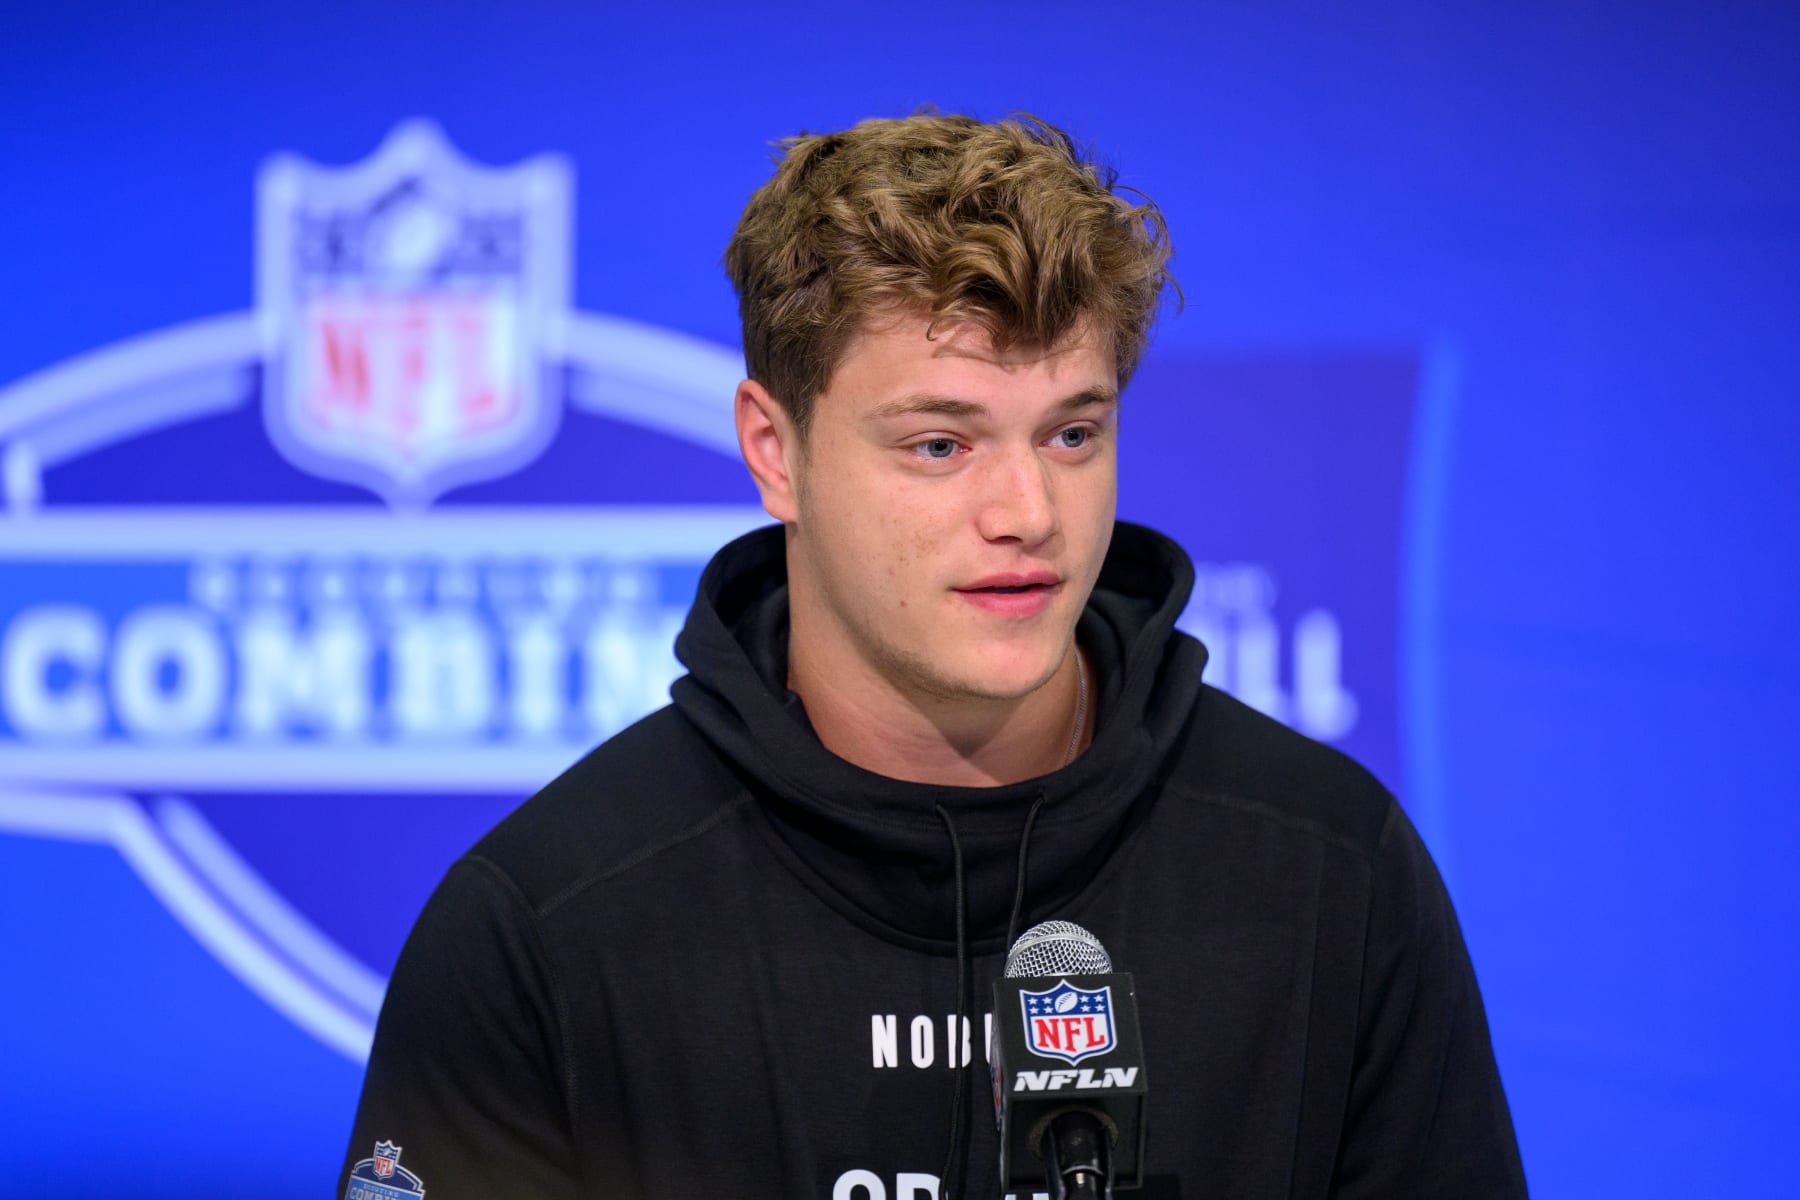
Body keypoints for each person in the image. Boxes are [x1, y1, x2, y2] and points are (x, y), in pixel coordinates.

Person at [339, 112, 1527, 1200]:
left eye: (1072, 432)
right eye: (941, 444)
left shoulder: (1331, 874)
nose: (1028, 511)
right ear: (774, 451)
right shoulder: (543, 928)